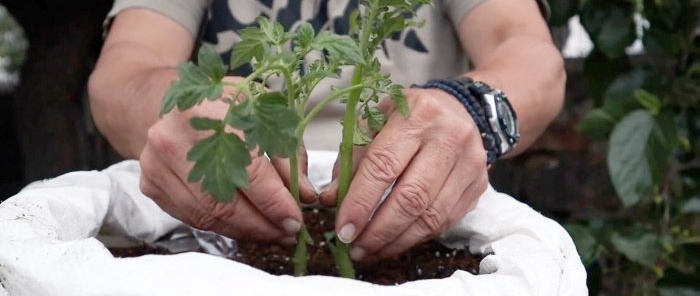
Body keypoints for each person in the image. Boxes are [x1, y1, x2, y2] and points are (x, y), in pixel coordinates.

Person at [88, 0, 565, 262]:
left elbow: (532, 57)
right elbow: (120, 76)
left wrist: (471, 110)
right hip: (228, 216)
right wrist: (176, 112)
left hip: (411, 211)